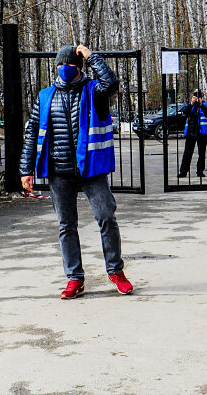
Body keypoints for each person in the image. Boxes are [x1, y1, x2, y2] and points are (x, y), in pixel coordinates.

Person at [19, 45, 134, 299]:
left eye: (69, 64)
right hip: (59, 171)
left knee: (106, 216)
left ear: (79, 67)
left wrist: (92, 56)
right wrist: (25, 169)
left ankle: (116, 271)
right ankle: (75, 278)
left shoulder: (94, 91)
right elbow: (32, 133)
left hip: (92, 169)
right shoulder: (46, 95)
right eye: (60, 65)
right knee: (66, 225)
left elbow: (111, 82)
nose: (64, 68)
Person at [178, 88, 207, 179]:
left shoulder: (206, 105)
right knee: (187, 153)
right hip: (191, 132)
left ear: (202, 96)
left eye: (198, 95)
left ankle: (200, 171)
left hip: (202, 133)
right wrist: (191, 103)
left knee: (202, 153)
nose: (197, 97)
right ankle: (183, 171)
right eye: (195, 95)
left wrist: (201, 105)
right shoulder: (190, 106)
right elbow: (184, 114)